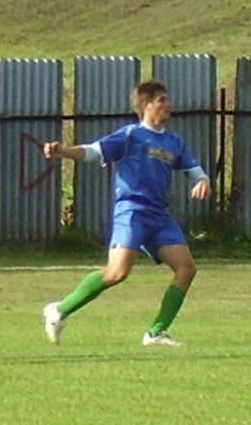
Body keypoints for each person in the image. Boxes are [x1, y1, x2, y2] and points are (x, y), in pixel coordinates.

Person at [41, 80, 211, 347]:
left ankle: (156, 332)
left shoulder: (174, 141)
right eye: (161, 100)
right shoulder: (131, 135)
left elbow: (194, 169)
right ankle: (59, 310)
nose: (168, 105)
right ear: (146, 106)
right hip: (132, 211)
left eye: (167, 99)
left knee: (186, 268)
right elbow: (93, 152)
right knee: (117, 273)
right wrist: (63, 151)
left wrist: (202, 180)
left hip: (159, 216)